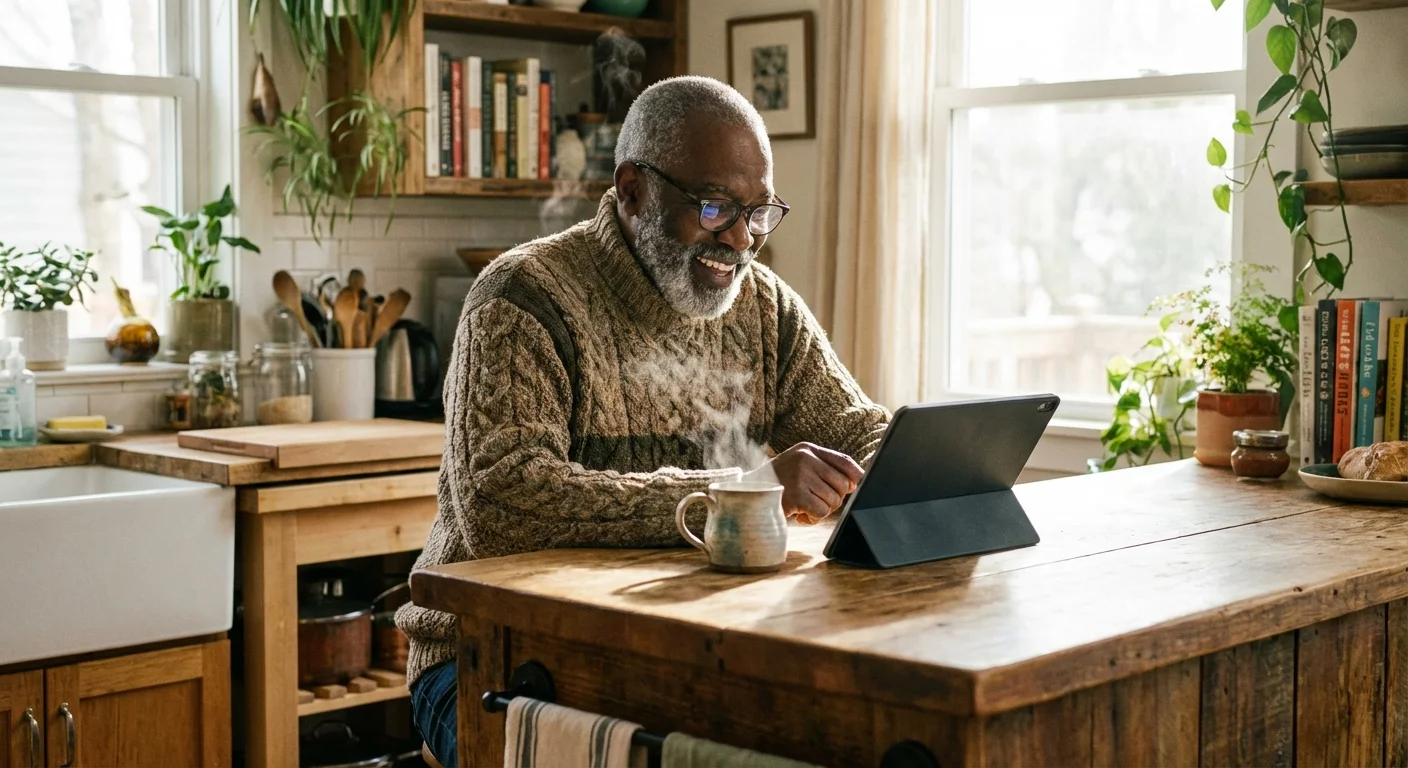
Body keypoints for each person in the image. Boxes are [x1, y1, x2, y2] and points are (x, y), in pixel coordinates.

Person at [397, 75, 890, 766]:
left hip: (677, 642)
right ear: (632, 190)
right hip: (488, 659)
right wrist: (740, 492)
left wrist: (903, 461)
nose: (743, 240)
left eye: (758, 212)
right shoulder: (523, 298)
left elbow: (858, 430)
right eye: (715, 206)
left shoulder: (764, 307)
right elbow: (505, 506)